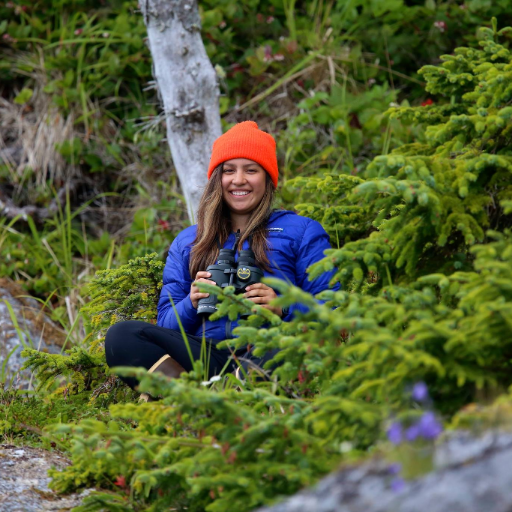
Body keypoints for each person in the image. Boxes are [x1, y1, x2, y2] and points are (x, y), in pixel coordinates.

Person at [105, 121, 337, 395]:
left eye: (251, 170)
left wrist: (283, 308)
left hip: (267, 347)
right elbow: (166, 321)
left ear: (267, 177)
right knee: (122, 337)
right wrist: (192, 303)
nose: (238, 180)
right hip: (205, 356)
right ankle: (196, 401)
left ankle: (230, 396)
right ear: (218, 178)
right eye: (229, 170)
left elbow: (332, 308)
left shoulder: (302, 231)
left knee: (289, 347)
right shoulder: (190, 240)